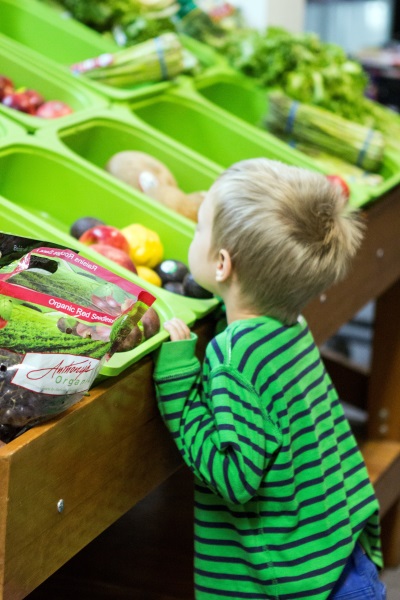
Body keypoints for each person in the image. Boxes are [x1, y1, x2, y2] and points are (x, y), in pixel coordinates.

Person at [153, 158, 386, 599]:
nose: (195, 234)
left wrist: (181, 395)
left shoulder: (233, 355)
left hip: (293, 584)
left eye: (200, 227)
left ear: (222, 264)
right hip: (338, 559)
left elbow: (235, 478)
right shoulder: (290, 325)